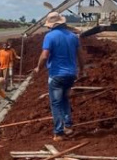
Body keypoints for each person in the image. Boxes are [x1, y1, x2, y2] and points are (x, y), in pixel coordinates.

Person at [33, 12, 84, 141]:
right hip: (71, 75)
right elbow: (80, 55)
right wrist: (82, 69)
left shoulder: (50, 36)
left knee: (55, 103)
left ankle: (59, 132)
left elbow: (44, 55)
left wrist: (39, 67)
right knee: (65, 99)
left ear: (51, 25)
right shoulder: (73, 37)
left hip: (56, 75)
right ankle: (68, 126)